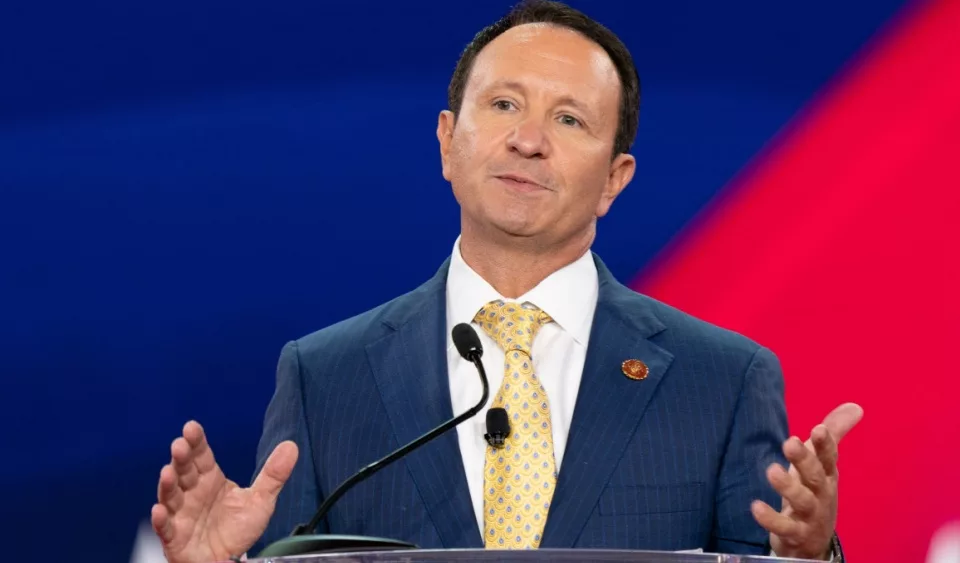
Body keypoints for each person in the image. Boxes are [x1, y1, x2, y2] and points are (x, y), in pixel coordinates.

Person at [151, 2, 863, 561]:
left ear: (615, 179)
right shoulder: (324, 377)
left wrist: (803, 555)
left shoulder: (724, 381)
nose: (528, 139)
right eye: (502, 105)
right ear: (446, 143)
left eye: (569, 118)